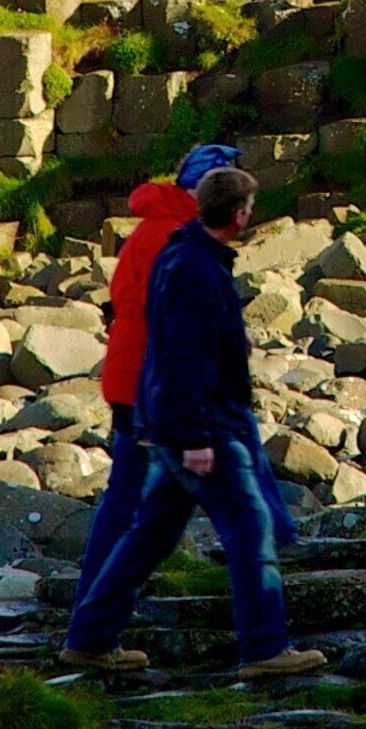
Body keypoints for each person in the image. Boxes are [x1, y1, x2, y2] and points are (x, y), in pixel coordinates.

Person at [57, 166, 323, 680]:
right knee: (250, 528)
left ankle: (89, 639)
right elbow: (184, 358)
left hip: (165, 420)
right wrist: (197, 438)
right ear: (241, 215)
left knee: (148, 536)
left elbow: (169, 334)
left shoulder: (180, 251)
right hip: (203, 427)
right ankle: (266, 648)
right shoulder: (199, 269)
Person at [89, 143, 297, 592]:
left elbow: (132, 304)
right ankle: (281, 558)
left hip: (134, 377)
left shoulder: (154, 230)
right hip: (162, 385)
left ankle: (91, 609)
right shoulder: (183, 241)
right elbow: (178, 331)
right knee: (237, 481)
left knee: (135, 504)